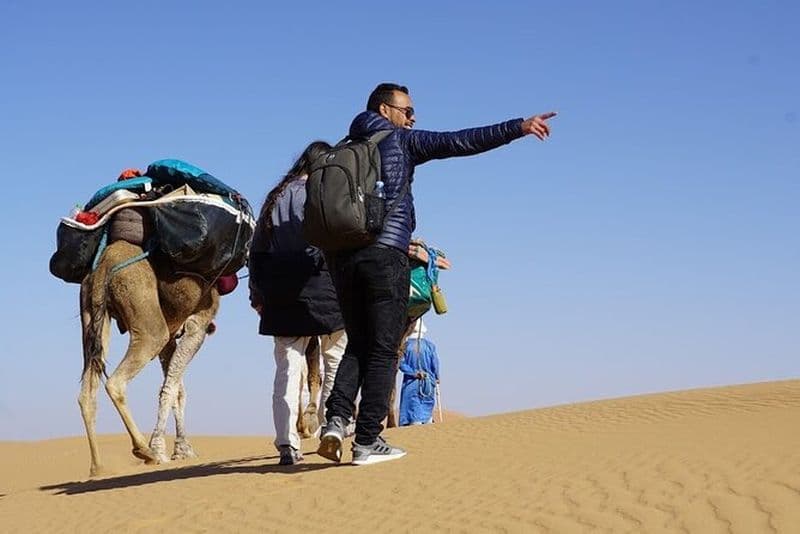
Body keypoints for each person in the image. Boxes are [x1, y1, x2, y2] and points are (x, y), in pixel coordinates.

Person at [318, 82, 557, 465]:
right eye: (407, 111)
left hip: (342, 259)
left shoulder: (344, 146)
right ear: (385, 110)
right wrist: (518, 127)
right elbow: (459, 141)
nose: (413, 118)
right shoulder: (399, 140)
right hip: (384, 253)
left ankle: (334, 420)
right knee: (382, 349)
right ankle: (366, 441)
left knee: (358, 343)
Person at [249, 141, 347, 466]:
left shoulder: (275, 197)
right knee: (335, 363)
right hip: (327, 291)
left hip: (281, 295)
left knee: (287, 371)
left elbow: (257, 251)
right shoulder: (326, 193)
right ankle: (330, 430)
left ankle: (287, 444)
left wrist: (257, 293)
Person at [399, 319, 440, 426]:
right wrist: (436, 377)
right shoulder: (430, 346)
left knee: (413, 409)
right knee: (426, 407)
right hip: (428, 382)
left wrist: (414, 373)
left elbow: (401, 364)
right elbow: (435, 364)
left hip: (411, 383)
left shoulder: (405, 346)